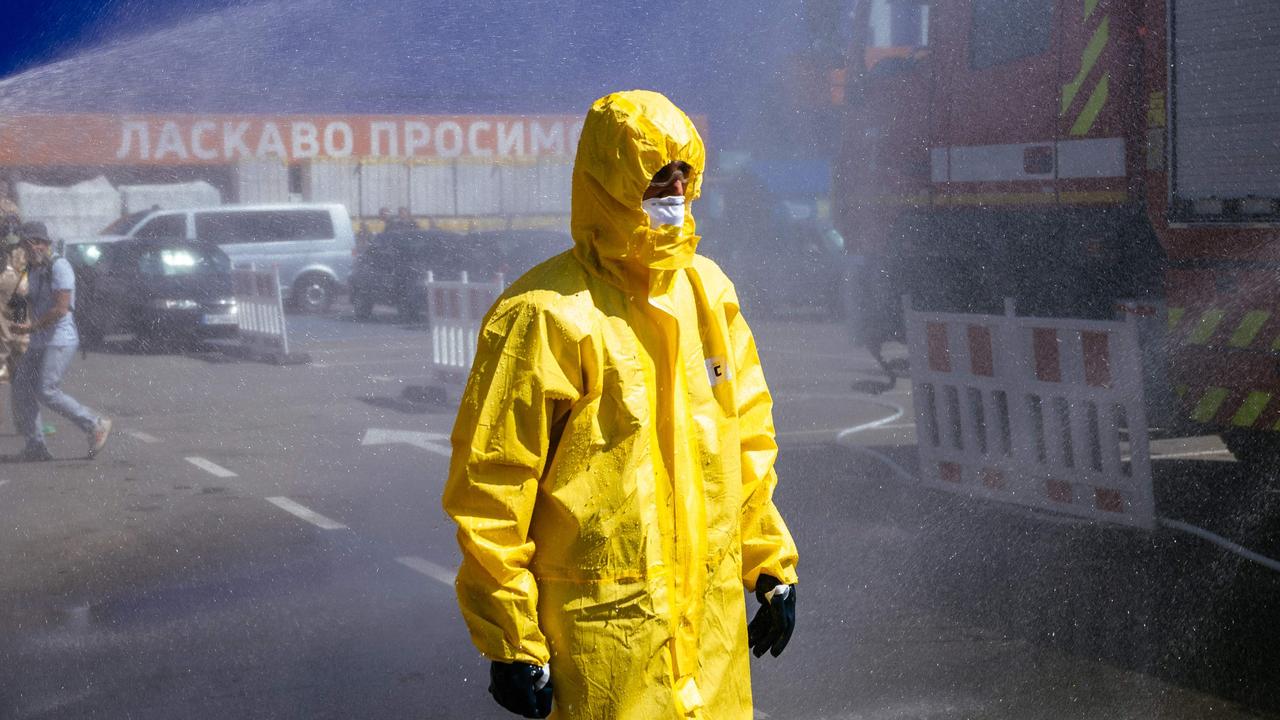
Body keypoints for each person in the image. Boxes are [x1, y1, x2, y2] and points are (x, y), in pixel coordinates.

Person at [443, 90, 799, 719]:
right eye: (655, 175)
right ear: (606, 183)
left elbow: (746, 439)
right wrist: (510, 639)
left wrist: (768, 563)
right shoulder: (545, 313)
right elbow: (492, 486)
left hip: (708, 639)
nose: (674, 188)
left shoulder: (707, 293)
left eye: (684, 173)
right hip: (607, 645)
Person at [11, 222, 111, 461]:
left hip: (60, 339)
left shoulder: (59, 266)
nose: (32, 247)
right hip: (37, 339)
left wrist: (31, 327)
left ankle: (94, 424)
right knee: (22, 389)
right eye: (27, 243)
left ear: (46, 244)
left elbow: (60, 308)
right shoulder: (31, 270)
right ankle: (35, 446)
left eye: (37, 242)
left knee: (46, 390)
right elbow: (25, 301)